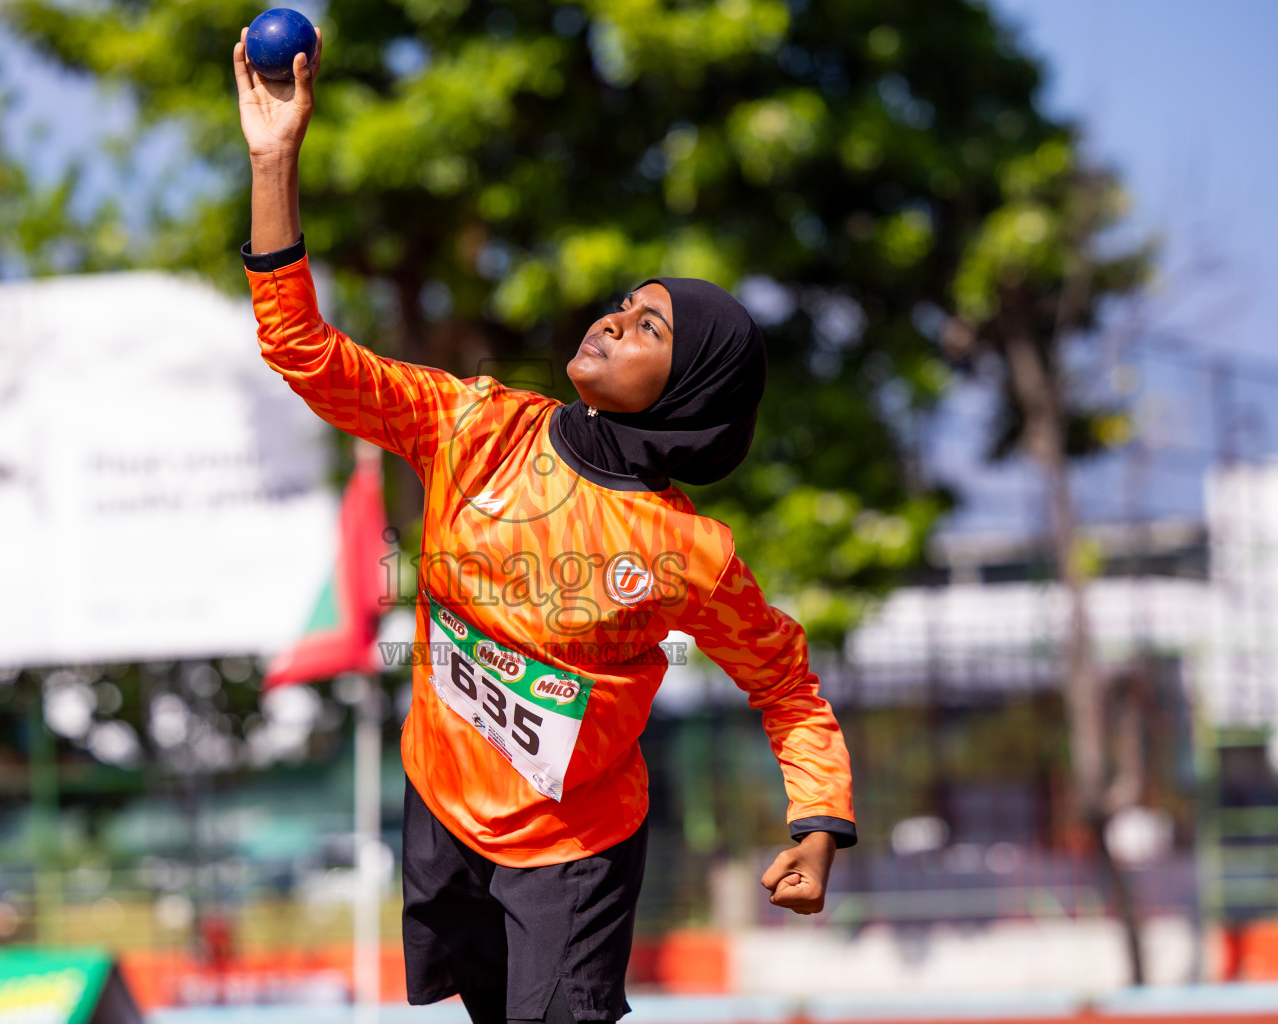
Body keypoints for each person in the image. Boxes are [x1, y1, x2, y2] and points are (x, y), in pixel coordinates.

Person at [232, 27, 856, 1024]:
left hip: (574, 852)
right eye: (622, 304)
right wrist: (274, 165)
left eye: (650, 327)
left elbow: (786, 684)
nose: (612, 321)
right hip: (440, 798)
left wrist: (819, 821)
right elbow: (301, 349)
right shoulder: (476, 425)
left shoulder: (686, 550)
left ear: (689, 391)